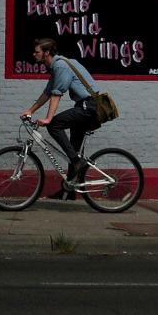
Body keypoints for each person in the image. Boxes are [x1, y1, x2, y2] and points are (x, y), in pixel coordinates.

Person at [21, 38, 101, 201]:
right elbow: (48, 92)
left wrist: (49, 118)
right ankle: (69, 191)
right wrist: (30, 110)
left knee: (55, 125)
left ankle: (77, 163)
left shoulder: (60, 65)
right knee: (73, 149)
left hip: (89, 107)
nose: (34, 54)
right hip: (84, 106)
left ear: (46, 53)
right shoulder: (56, 66)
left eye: (37, 52)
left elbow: (57, 93)